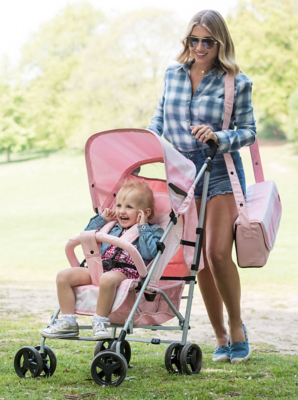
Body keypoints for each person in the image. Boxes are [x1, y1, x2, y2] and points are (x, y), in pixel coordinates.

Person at [147, 10, 256, 363]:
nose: (199, 47)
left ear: (220, 43)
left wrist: (219, 136)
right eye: (193, 40)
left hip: (219, 172)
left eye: (206, 41)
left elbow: (249, 131)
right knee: (199, 263)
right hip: (181, 176)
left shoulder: (236, 82)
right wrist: (147, 144)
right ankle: (220, 336)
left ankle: (237, 328)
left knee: (217, 253)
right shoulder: (172, 75)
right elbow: (159, 119)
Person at [41, 180, 164, 340]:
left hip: (127, 272)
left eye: (129, 207)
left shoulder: (152, 230)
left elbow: (149, 253)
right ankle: (68, 322)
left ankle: (99, 322)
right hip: (100, 269)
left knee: (107, 278)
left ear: (145, 212)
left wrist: (143, 226)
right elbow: (86, 236)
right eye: (119, 205)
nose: (121, 211)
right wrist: (101, 219)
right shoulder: (111, 226)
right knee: (63, 276)